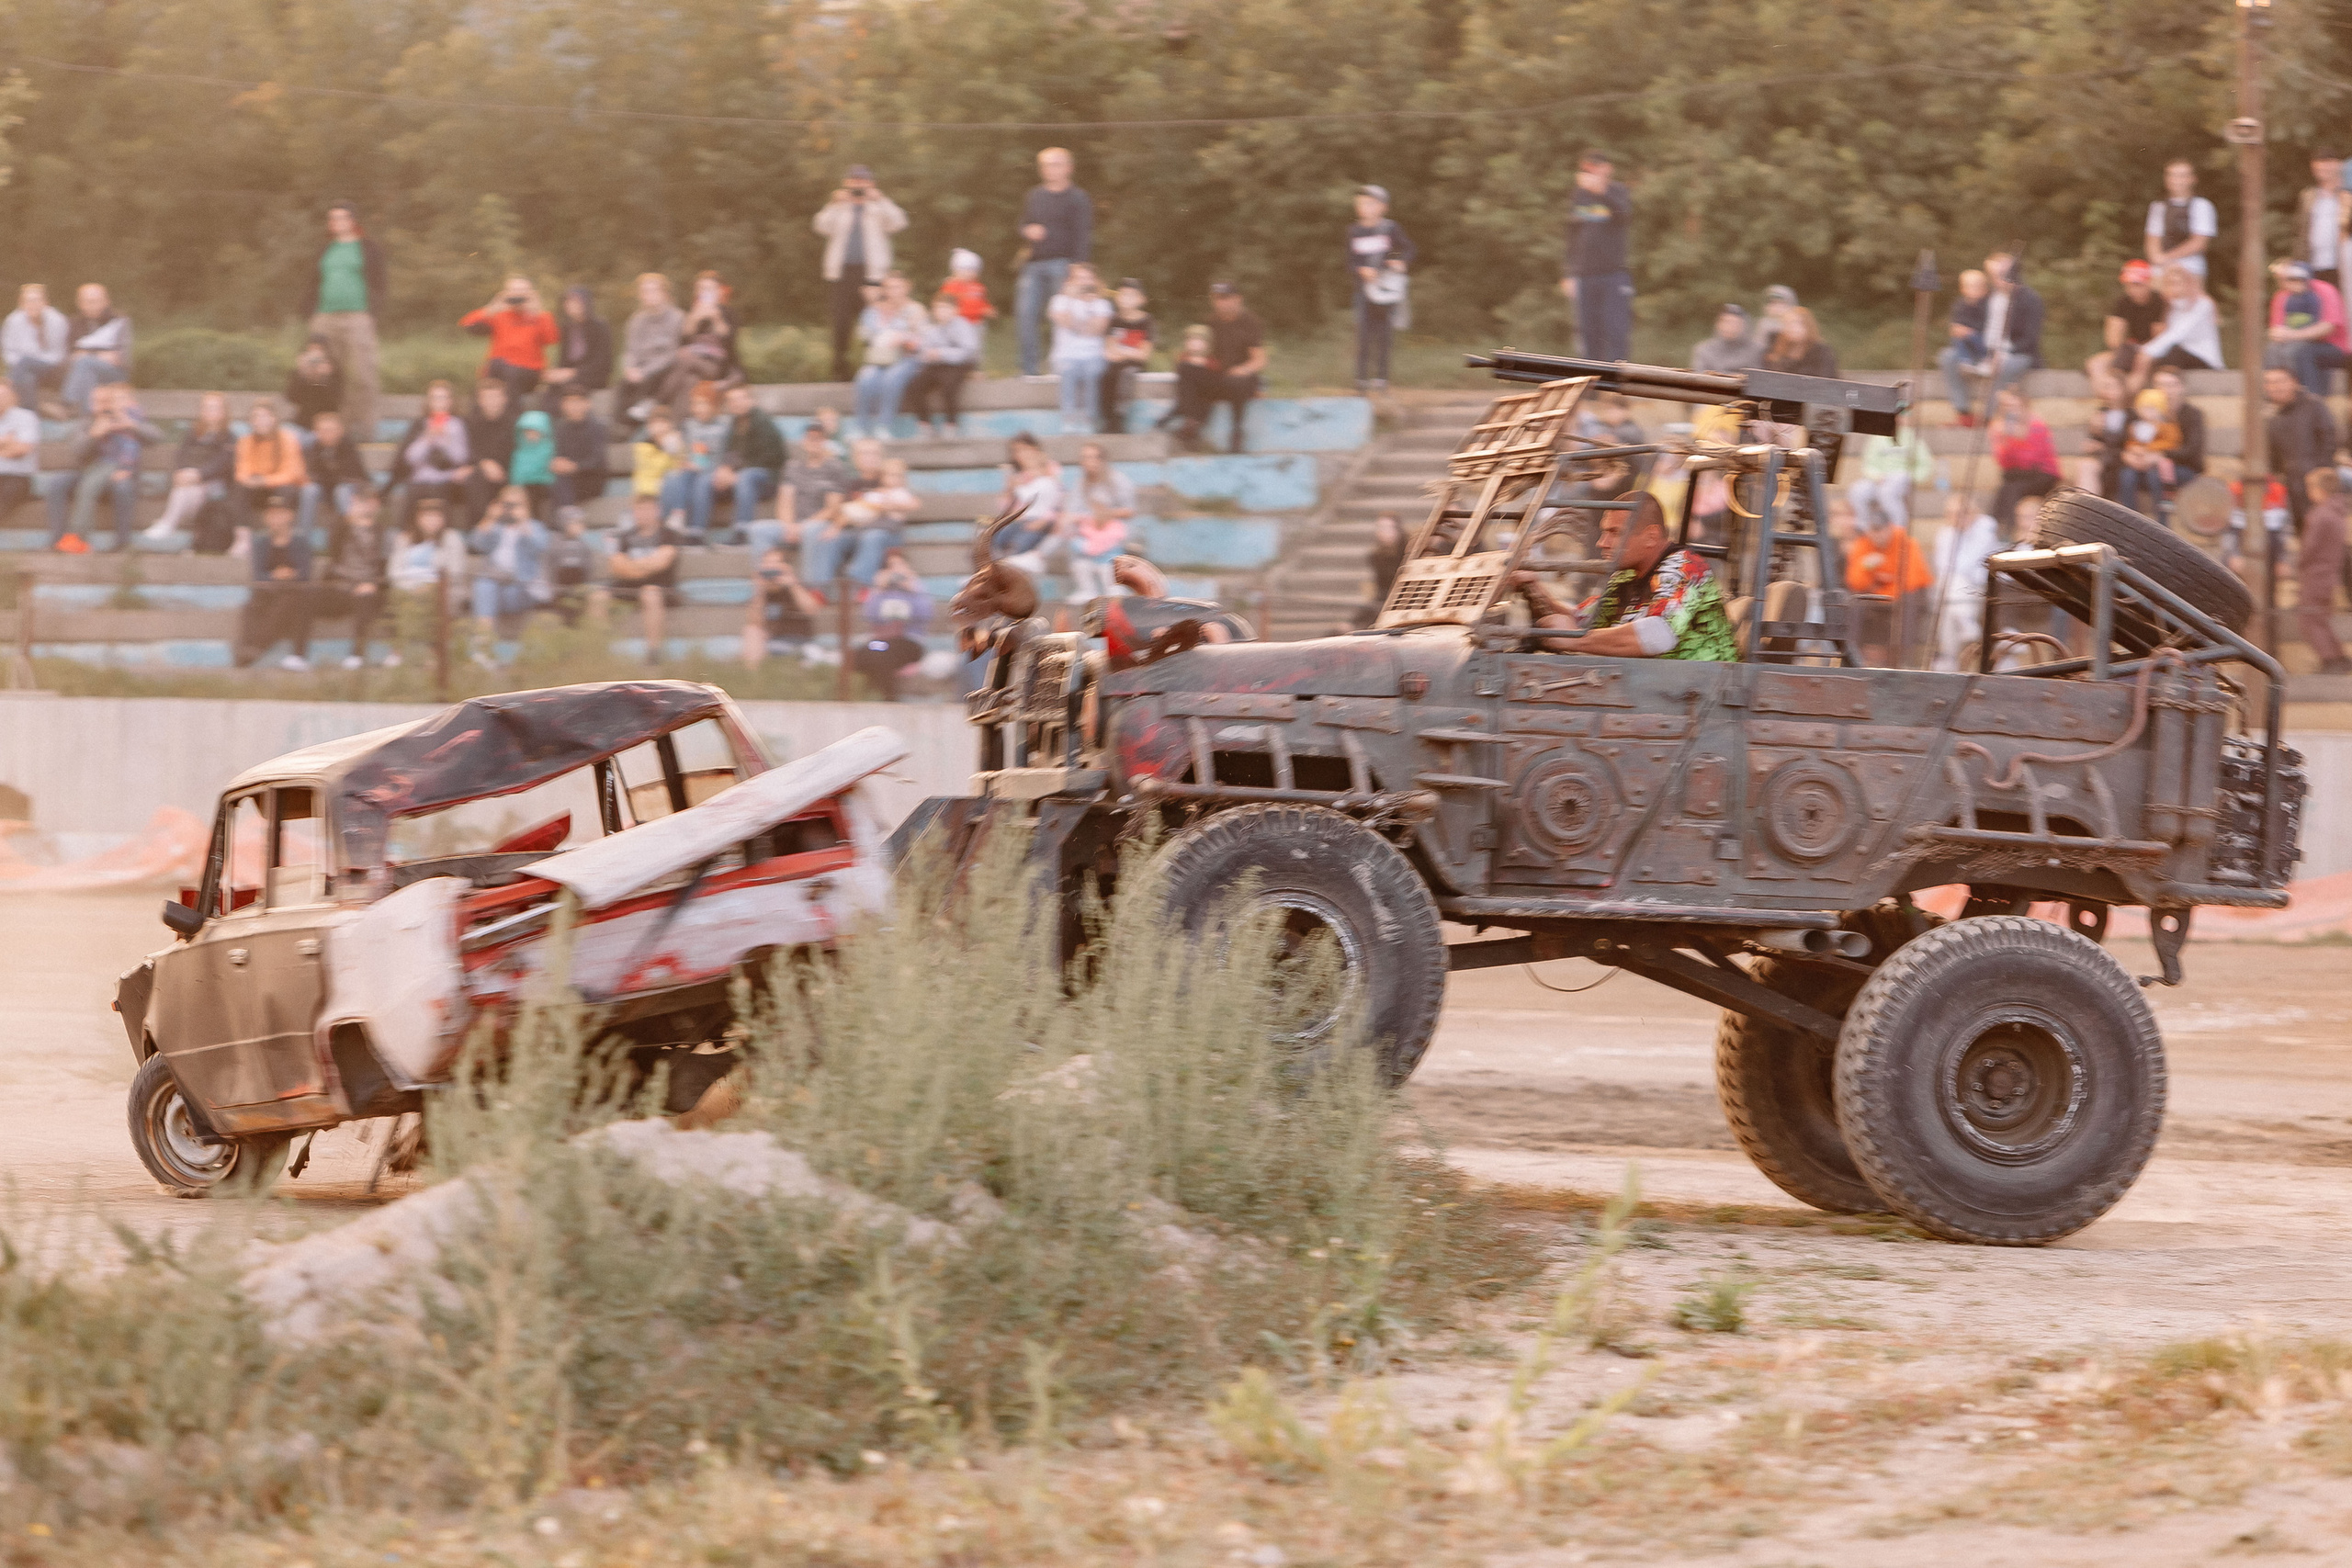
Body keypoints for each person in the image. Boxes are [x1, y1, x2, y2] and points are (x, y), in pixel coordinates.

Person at [1515, 492, 1734, 660]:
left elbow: (1658, 635)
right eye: (1604, 532)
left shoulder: (1686, 566)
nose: (1602, 543)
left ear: (1651, 536)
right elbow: (1581, 620)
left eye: (1615, 533)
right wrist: (1533, 587)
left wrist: (1575, 640)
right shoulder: (1626, 574)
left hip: (1704, 694)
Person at [814, 165, 909, 381]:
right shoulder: (840, 207)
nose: (857, 185)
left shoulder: (877, 207)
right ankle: (840, 370)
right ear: (846, 184)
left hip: (871, 274)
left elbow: (899, 222)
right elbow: (821, 226)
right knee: (840, 322)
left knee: (874, 320)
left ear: (871, 184)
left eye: (862, 181)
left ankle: (877, 367)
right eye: (853, 181)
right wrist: (833, 203)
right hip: (842, 274)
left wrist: (880, 199)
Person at [305, 202, 387, 443]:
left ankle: (365, 430)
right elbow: (313, 282)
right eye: (333, 218)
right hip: (325, 318)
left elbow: (380, 282)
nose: (337, 222)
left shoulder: (367, 248)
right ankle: (326, 431)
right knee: (323, 374)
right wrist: (310, 313)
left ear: (352, 221)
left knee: (363, 374)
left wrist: (373, 313)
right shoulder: (326, 249)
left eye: (342, 217)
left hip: (357, 317)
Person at [1016, 147, 1095, 378]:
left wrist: (1078, 267)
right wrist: (1027, 230)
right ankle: (1029, 371)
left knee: (1061, 317)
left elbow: (1083, 234)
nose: (1049, 169)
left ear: (1069, 168)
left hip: (1064, 265)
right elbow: (1023, 223)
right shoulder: (1034, 195)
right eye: (1045, 165)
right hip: (1033, 265)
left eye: (1055, 164)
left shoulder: (1078, 198)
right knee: (1026, 314)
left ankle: (1059, 368)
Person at [1559, 151, 1634, 364]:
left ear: (1607, 169)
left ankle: (1616, 380)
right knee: (1588, 334)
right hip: (1585, 276)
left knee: (1616, 331)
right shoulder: (1579, 196)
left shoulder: (1618, 191)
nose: (1590, 173)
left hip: (1613, 275)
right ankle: (1592, 380)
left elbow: (1623, 216)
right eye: (1586, 169)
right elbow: (1572, 235)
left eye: (1595, 168)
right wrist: (1569, 274)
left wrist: (1600, 192)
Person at [466, 485, 551, 663]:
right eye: (507, 504)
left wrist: (523, 523)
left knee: (487, 587)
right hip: (495, 584)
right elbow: (475, 544)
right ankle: (483, 647)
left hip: (521, 587)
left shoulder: (535, 526)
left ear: (526, 506)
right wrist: (489, 518)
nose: (511, 509)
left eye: (516, 504)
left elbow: (540, 548)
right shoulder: (496, 526)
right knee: (484, 584)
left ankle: (482, 647)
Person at [1844, 500, 1934, 667]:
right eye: (1873, 530)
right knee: (1855, 602)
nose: (1877, 535)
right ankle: (1850, 655)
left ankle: (1903, 660)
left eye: (1880, 529)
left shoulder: (1907, 543)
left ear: (1889, 527)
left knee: (1909, 601)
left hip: (1902, 595)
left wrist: (1883, 590)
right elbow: (1855, 582)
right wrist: (1866, 566)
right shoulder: (1863, 544)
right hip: (1878, 595)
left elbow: (1911, 582)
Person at [1182, 284, 1266, 455]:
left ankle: (1237, 433)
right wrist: (1193, 358)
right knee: (1186, 367)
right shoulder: (1211, 322)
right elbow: (1202, 352)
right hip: (1218, 375)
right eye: (1218, 299)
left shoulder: (1250, 322)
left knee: (1236, 381)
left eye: (1226, 298)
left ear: (1238, 299)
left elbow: (1260, 360)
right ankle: (1192, 424)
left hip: (1243, 378)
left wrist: (1243, 369)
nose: (1221, 303)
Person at [234, 495, 316, 671]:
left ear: (290, 516)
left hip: (292, 592)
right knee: (251, 606)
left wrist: (288, 576)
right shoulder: (261, 543)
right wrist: (276, 576)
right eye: (271, 514)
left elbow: (305, 574)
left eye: (279, 514)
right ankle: (246, 647)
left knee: (287, 602)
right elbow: (258, 574)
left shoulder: (300, 543)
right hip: (268, 591)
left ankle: (257, 646)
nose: (274, 519)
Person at [1347, 184, 1416, 391]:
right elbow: (1350, 262)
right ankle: (1361, 379)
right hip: (1364, 291)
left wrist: (1398, 261)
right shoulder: (1354, 231)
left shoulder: (1390, 228)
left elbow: (1408, 249)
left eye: (1370, 203)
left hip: (1386, 290)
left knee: (1384, 334)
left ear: (1382, 207)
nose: (1365, 207)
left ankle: (1381, 378)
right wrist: (1361, 270)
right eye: (1361, 203)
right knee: (1363, 334)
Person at [143, 390, 234, 547]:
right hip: (188, 482)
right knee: (186, 488)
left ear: (223, 412)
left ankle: (169, 523)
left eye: (214, 407)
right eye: (206, 407)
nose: (210, 411)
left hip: (214, 484)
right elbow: (181, 455)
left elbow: (221, 464)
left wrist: (198, 475)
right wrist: (180, 472)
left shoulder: (229, 437)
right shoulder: (193, 433)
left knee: (191, 489)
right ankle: (170, 524)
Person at [605, 493, 685, 662]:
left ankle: (653, 653)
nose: (643, 514)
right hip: (628, 587)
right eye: (639, 510)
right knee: (598, 597)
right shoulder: (625, 536)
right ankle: (596, 650)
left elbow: (662, 562)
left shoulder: (669, 534)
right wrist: (643, 567)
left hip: (661, 588)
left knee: (650, 593)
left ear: (657, 511)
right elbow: (616, 566)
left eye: (648, 509)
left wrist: (632, 566)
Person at [319, 489, 392, 669]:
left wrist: (374, 584)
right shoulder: (341, 526)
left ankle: (357, 654)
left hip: (368, 587)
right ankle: (298, 656)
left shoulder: (382, 532)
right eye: (362, 501)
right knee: (305, 595)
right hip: (341, 585)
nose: (367, 506)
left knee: (366, 599)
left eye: (371, 501)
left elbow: (385, 566)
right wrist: (348, 519)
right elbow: (332, 550)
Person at [1929, 491, 2001, 672]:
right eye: (1951, 514)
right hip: (1955, 592)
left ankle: (1949, 658)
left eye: (1961, 513)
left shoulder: (1985, 531)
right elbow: (1942, 565)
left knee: (1949, 593)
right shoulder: (1945, 534)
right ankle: (1966, 624)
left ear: (1972, 513)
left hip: (1979, 586)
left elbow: (1968, 563)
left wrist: (1955, 571)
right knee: (1948, 599)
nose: (1956, 518)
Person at [387, 496, 469, 654]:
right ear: (418, 519)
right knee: (402, 598)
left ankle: (427, 652)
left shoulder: (452, 539)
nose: (432, 521)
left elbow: (456, 571)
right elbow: (394, 572)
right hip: (409, 588)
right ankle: (401, 650)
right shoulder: (404, 539)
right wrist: (412, 587)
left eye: (437, 517)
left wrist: (430, 586)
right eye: (427, 517)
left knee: (426, 599)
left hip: (444, 588)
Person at [386, 380, 470, 531]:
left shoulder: (457, 425)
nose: (439, 403)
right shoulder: (421, 424)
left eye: (443, 398)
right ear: (429, 402)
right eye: (435, 398)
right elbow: (410, 458)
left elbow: (461, 457)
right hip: (420, 479)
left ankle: (442, 536)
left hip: (446, 478)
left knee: (439, 494)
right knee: (414, 492)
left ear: (450, 402)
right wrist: (427, 439)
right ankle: (406, 535)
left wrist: (446, 441)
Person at [2265, 364, 2340, 532]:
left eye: (2280, 381)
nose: (2275, 387)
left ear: (2294, 382)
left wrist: (2320, 473)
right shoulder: (2270, 416)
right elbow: (2271, 453)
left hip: (2316, 481)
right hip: (2289, 483)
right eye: (2270, 382)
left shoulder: (2314, 406)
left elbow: (2329, 439)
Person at [852, 273, 927, 439]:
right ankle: (861, 427)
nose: (893, 292)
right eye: (889, 288)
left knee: (891, 378)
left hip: (907, 358)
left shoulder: (916, 310)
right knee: (865, 378)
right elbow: (865, 335)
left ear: (907, 288)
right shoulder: (876, 310)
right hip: (881, 358)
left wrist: (905, 340)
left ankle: (883, 426)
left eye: (897, 287)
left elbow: (924, 341)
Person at [459, 276, 560, 400]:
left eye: (522, 292)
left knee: (510, 373)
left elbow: (552, 339)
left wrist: (537, 312)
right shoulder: (499, 315)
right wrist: (492, 308)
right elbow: (467, 324)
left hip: (529, 370)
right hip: (499, 367)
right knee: (490, 374)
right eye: (513, 291)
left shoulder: (541, 317)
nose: (518, 297)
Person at [852, 550, 933, 700]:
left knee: (884, 655)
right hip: (880, 642)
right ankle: (872, 697)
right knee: (866, 654)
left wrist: (912, 589)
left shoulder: (916, 588)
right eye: (891, 567)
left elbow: (926, 615)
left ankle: (888, 698)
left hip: (909, 642)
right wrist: (878, 589)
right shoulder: (880, 591)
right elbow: (869, 616)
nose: (896, 571)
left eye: (900, 565)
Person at [2267, 258, 2349, 397]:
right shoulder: (2282, 296)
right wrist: (2279, 335)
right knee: (2272, 350)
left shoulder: (2325, 291)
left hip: (2334, 346)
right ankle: (2277, 396)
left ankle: (2312, 398)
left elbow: (2328, 327)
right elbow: (2277, 328)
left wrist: (2291, 335)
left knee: (2302, 352)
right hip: (2298, 343)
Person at [1064, 442, 1136, 600]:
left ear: (1103, 460)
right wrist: (1084, 520)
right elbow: (1072, 512)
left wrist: (1105, 515)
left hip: (1112, 532)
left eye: (1094, 457)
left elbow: (1129, 511)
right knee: (1078, 554)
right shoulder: (1080, 484)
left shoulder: (1117, 481)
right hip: (1088, 532)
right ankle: (1087, 590)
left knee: (1108, 565)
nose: (1090, 462)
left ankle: (1114, 587)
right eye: (1085, 458)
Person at [1046, 263, 1112, 434]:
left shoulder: (1103, 304)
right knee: (1068, 372)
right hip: (1065, 355)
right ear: (1071, 281)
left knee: (1092, 373)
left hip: (1093, 355)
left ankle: (1089, 419)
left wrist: (1087, 309)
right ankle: (1068, 419)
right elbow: (1066, 323)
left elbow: (1097, 329)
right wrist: (1070, 300)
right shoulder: (1059, 301)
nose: (1084, 282)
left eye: (1088, 278)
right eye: (1080, 278)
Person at [232, 399, 308, 544]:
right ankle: (242, 538)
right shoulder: (245, 441)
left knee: (287, 490)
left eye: (264, 416)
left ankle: (282, 538)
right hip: (257, 487)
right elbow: (241, 470)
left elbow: (292, 473)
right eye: (256, 417)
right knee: (239, 488)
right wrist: (251, 480)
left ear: (273, 419)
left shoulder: (287, 439)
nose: (260, 421)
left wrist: (265, 480)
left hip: (280, 486)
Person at [713, 384, 786, 537]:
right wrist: (725, 468)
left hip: (769, 478)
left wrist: (737, 474)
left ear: (751, 401)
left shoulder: (763, 423)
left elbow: (770, 458)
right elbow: (730, 453)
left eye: (740, 399)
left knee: (745, 477)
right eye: (732, 400)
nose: (736, 403)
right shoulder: (734, 423)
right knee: (706, 480)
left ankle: (742, 531)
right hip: (743, 475)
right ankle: (695, 532)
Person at [908, 296, 982, 438]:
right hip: (937, 363)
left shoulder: (962, 326)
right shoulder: (933, 328)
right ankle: (925, 424)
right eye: (938, 308)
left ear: (955, 310)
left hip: (960, 363)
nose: (942, 312)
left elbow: (968, 350)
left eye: (946, 308)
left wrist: (941, 353)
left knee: (948, 386)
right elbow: (926, 347)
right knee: (914, 386)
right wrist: (921, 350)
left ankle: (951, 424)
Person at [2298, 468, 2349, 674]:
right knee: (2320, 618)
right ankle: (2338, 656)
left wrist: (2300, 564)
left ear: (2320, 490)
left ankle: (2330, 659)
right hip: (2329, 573)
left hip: (2316, 574)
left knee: (2310, 618)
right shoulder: (2337, 513)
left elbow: (2309, 549)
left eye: (2310, 487)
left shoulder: (2320, 515)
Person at [1989, 387, 2061, 532]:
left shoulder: (2036, 425)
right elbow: (2004, 463)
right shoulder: (1999, 428)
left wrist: (2019, 439)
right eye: (2006, 406)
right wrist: (2005, 442)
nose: (2011, 411)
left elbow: (2033, 460)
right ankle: (1999, 528)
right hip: (2017, 475)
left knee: (2011, 490)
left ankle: (2009, 529)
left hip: (2042, 474)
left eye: (2014, 406)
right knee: (2005, 489)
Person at [992, 432, 1064, 575]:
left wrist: (1044, 520)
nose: (1021, 455)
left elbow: (1057, 501)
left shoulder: (1049, 471)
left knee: (1019, 544)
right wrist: (1009, 489)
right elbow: (1005, 508)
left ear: (1035, 450)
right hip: (1019, 521)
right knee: (994, 538)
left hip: (1043, 522)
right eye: (1016, 451)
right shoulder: (1016, 476)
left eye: (1024, 450)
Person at [2136, 265, 2224, 380]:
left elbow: (2177, 334)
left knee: (2172, 353)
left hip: (2204, 359)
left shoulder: (2202, 304)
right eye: (2169, 283)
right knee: (2131, 351)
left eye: (2177, 283)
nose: (2173, 287)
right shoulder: (2170, 307)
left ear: (2188, 284)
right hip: (2178, 355)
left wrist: (2146, 351)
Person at [665, 271, 742, 403]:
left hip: (717, 366)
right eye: (701, 288)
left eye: (709, 289)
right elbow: (681, 343)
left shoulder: (729, 313)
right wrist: (693, 321)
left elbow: (730, 343)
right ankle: (678, 417)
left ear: (719, 291)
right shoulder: (692, 314)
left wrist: (716, 319)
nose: (704, 292)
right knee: (688, 383)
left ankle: (659, 400)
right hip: (692, 366)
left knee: (683, 359)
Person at [667, 384, 730, 541]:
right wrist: (689, 463)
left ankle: (697, 532)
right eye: (695, 404)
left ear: (714, 405)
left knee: (702, 482)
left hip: (718, 471)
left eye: (703, 403)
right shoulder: (690, 425)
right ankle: (677, 517)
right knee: (675, 477)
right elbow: (694, 452)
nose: (698, 408)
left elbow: (729, 453)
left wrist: (707, 466)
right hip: (697, 467)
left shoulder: (726, 424)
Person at [2087, 260, 2167, 386]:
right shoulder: (2123, 302)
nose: (2132, 289)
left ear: (2149, 282)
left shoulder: (2159, 302)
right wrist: (2126, 350)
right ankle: (2107, 394)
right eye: (2128, 284)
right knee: (2095, 364)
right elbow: (2113, 339)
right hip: (2130, 349)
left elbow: (2159, 338)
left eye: (2137, 284)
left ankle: (2126, 393)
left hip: (2153, 353)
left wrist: (2135, 350)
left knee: (2140, 363)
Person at [617, 274, 684, 420]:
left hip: (663, 368)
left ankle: (644, 414)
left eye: (654, 290)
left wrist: (645, 372)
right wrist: (629, 368)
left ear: (664, 294)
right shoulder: (636, 320)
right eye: (645, 291)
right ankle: (621, 425)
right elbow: (630, 350)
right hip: (639, 368)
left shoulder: (676, 318)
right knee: (623, 386)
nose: (649, 295)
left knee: (652, 382)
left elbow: (671, 354)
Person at [742, 547, 823, 668]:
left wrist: (792, 585)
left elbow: (811, 610)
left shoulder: (798, 587)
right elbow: (755, 622)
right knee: (752, 631)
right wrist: (759, 591)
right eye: (767, 563)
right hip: (773, 642)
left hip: (800, 641)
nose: (771, 568)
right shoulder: (763, 594)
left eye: (775, 563)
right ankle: (752, 674)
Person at [538, 287, 613, 410]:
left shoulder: (599, 326)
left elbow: (603, 362)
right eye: (568, 302)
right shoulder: (567, 328)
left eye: (576, 301)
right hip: (572, 374)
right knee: (550, 389)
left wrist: (572, 372)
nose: (571, 305)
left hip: (593, 375)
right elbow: (564, 359)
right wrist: (556, 373)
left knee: (566, 388)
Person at [62, 283, 132, 412]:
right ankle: (88, 414)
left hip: (114, 374)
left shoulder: (119, 321)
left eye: (95, 301)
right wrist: (100, 355)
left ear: (106, 301)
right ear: (80, 303)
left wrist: (87, 355)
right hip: (82, 374)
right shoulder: (73, 323)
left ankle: (68, 403)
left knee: (84, 362)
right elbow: (67, 358)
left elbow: (122, 358)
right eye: (87, 302)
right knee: (86, 371)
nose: (92, 305)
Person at [1849, 427, 1936, 531]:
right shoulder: (1877, 438)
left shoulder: (1912, 438)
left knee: (1887, 492)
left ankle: (1899, 527)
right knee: (1858, 490)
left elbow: (1925, 464)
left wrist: (1914, 478)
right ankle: (1863, 526)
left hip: (1901, 477)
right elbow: (1868, 464)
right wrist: (1877, 476)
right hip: (1880, 478)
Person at [300, 410, 372, 536]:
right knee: (309, 490)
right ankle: (303, 538)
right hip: (323, 489)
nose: (327, 434)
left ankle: (348, 538)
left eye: (331, 430)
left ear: (340, 431)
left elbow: (353, 475)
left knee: (341, 491)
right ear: (316, 432)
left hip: (346, 489)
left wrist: (330, 476)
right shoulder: (313, 447)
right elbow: (311, 474)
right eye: (323, 430)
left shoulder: (348, 446)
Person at [1099, 278, 1156, 434]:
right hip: (1116, 362)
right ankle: (1107, 419)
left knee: (1126, 375)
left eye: (1131, 295)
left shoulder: (1147, 321)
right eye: (1122, 295)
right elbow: (1109, 349)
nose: (1126, 299)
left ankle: (1119, 417)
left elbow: (1144, 355)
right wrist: (1125, 352)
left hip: (1134, 365)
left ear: (1141, 299)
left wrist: (1122, 352)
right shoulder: (1114, 320)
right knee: (1106, 375)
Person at [2146, 159, 2218, 282]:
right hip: (2161, 265)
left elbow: (2199, 243)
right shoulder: (2158, 207)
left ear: (2192, 179)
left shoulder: (2202, 206)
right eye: (2172, 175)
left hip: (2191, 265)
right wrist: (2157, 259)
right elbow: (2152, 240)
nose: (2176, 180)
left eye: (2182, 176)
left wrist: (2167, 258)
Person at [2114, 388, 2181, 520]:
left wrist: (2151, 449)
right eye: (2144, 408)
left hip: (2157, 464)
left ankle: (2165, 508)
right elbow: (2131, 442)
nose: (2148, 412)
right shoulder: (2136, 427)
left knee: (2159, 474)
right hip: (2139, 463)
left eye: (2152, 409)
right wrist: (2134, 450)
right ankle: (2128, 514)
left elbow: (2172, 442)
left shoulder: (2166, 427)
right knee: (2126, 476)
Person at [3, 284, 70, 412]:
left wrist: (31, 362)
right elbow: (8, 352)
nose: (33, 305)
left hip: (53, 367)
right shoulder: (13, 321)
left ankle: (9, 390)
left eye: (37, 300)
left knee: (26, 362)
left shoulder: (57, 321)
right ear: (21, 304)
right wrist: (23, 364)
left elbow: (59, 354)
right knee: (27, 377)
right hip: (21, 369)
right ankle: (30, 413)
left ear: (45, 303)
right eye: (28, 301)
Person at [461, 379, 519, 525]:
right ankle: (481, 528)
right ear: (480, 401)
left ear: (504, 399)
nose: (492, 402)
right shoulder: (470, 423)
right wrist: (484, 463)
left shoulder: (514, 424)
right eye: (487, 397)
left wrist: (502, 469)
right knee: (475, 478)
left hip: (508, 472)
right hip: (480, 473)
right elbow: (467, 450)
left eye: (496, 397)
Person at [548, 386, 609, 513]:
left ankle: (569, 517)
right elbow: (558, 454)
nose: (574, 406)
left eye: (578, 401)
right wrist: (556, 463)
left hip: (590, 478)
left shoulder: (598, 427)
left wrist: (575, 467)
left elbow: (597, 459)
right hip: (568, 477)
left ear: (587, 404)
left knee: (561, 482)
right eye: (569, 402)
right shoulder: (560, 428)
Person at [547, 506, 606, 629]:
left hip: (579, 584)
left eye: (581, 522)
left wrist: (587, 584)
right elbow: (549, 565)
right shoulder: (554, 542)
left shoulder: (584, 544)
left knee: (579, 608)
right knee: (563, 610)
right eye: (576, 523)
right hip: (560, 585)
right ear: (564, 524)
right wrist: (551, 587)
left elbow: (589, 566)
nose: (581, 526)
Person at [2301, 153, 2349, 289]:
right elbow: (2301, 231)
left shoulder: (2347, 196)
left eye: (2328, 165)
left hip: (2342, 265)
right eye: (2319, 167)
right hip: (2314, 264)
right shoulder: (2308, 196)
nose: (2323, 170)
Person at [937, 248, 994, 348]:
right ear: (955, 271)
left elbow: (982, 302)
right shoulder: (950, 286)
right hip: (958, 323)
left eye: (973, 270)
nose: (969, 273)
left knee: (975, 347)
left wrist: (988, 309)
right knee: (959, 347)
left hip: (976, 324)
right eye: (965, 270)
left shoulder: (979, 287)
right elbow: (946, 304)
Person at [1761, 305, 1838, 378]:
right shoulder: (1775, 347)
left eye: (1797, 323)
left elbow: (1826, 379)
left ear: (1808, 326)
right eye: (1787, 323)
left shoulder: (1821, 352)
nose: (1792, 327)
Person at [509, 409, 557, 520]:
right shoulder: (519, 452)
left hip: (543, 484)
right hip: (524, 486)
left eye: (535, 432)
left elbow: (550, 470)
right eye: (527, 432)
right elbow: (515, 473)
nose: (531, 435)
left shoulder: (549, 449)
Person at [0, 382, 37, 524]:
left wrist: (10, 446)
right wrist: (6, 441)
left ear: (13, 397)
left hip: (16, 477)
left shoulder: (26, 417)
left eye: (3, 396)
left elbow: (22, 449)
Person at [1690, 303, 1759, 375]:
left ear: (1744, 326)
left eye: (1735, 323)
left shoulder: (1757, 351)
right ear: (1718, 324)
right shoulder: (1705, 350)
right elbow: (1699, 377)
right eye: (1726, 322)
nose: (1730, 326)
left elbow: (1760, 378)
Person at [1367, 513, 1408, 606]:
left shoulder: (1407, 551)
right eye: (1381, 528)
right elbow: (1381, 586)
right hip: (1385, 596)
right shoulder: (1376, 556)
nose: (1385, 532)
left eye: (1389, 528)